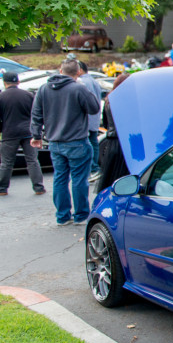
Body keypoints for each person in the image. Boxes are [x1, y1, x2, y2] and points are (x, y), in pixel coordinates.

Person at [30, 58, 100, 225]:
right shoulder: (78, 88)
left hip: (55, 141)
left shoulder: (44, 89)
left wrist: (36, 136)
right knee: (79, 179)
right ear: (78, 73)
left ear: (60, 71)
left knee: (60, 179)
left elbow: (36, 114)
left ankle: (62, 216)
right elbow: (94, 108)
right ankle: (81, 215)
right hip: (76, 140)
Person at [0, 71, 45, 196]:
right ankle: (38, 187)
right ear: (18, 82)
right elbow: (36, 114)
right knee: (32, 160)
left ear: (4, 82)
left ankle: (2, 189)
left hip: (9, 133)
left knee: (6, 162)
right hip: (28, 132)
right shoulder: (28, 95)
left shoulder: (2, 96)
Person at [95, 73, 131, 192]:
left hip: (112, 143)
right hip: (126, 144)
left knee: (109, 180)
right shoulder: (131, 100)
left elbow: (106, 123)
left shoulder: (109, 99)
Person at [76, 61, 103, 177]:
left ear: (80, 70)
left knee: (87, 145)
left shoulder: (82, 82)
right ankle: (95, 167)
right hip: (95, 118)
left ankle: (91, 168)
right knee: (94, 143)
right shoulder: (94, 81)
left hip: (86, 118)